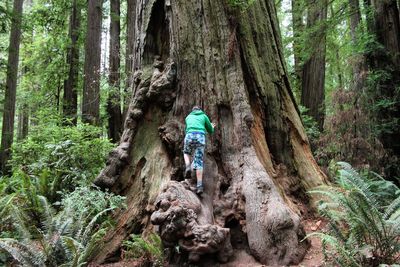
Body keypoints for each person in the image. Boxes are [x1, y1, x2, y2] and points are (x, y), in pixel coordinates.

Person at [183, 106, 215, 194]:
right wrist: (212, 126)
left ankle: (188, 166)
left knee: (186, 152)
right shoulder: (204, 116)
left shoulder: (188, 117)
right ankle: (199, 186)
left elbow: (192, 126)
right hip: (200, 137)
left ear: (192, 111)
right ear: (200, 110)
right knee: (199, 162)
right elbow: (210, 130)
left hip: (189, 136)